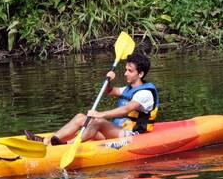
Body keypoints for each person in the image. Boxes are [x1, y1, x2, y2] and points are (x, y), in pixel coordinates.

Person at [28, 52, 159, 145]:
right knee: (80, 117)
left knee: (98, 121)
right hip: (118, 131)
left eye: (130, 71)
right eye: (126, 69)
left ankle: (67, 145)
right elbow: (109, 91)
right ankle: (47, 141)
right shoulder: (128, 88)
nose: (125, 73)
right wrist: (108, 80)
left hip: (133, 136)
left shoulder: (145, 94)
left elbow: (126, 109)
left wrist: (100, 114)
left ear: (140, 74)